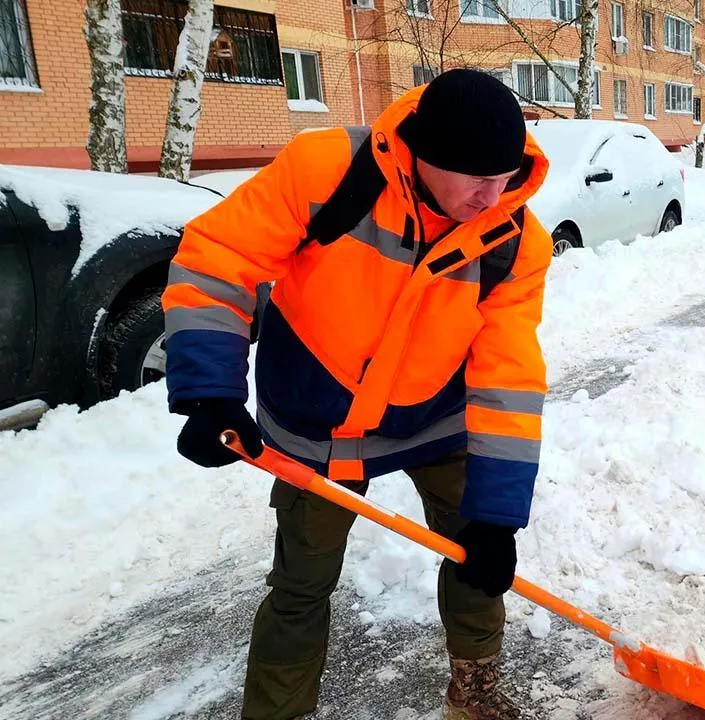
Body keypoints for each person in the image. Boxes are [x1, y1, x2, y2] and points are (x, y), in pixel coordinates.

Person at [162, 68, 553, 720]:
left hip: (438, 417)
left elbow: (509, 376)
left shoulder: (514, 243)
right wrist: (210, 393)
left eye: (506, 175)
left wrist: (498, 512)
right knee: (300, 586)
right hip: (317, 423)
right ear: (426, 155)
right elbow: (217, 261)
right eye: (477, 177)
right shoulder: (329, 172)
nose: (494, 194)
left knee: (478, 562)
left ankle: (475, 694)